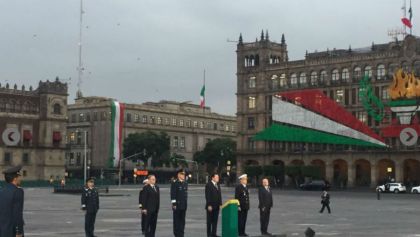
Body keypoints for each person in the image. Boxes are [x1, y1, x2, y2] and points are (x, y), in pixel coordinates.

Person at [0, 165, 25, 237]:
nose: (20, 179)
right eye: (19, 177)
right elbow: (17, 213)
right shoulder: (18, 191)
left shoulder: (1, 191)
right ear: (15, 178)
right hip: (12, 231)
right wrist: (18, 231)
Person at [171, 169, 188, 237]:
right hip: (177, 205)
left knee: (182, 221)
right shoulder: (175, 183)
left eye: (184, 174)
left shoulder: (185, 183)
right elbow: (173, 195)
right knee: (176, 221)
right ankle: (177, 234)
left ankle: (181, 233)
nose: (184, 175)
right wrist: (174, 204)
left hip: (183, 205)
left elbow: (185, 195)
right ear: (178, 175)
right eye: (182, 174)